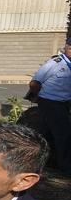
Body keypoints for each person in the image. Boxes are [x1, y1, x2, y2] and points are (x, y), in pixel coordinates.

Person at [26, 38, 71, 173]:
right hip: (51, 102)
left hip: (64, 103)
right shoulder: (55, 63)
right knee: (64, 134)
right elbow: (35, 82)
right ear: (66, 47)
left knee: (44, 133)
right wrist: (37, 97)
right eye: (70, 47)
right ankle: (66, 168)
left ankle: (37, 161)